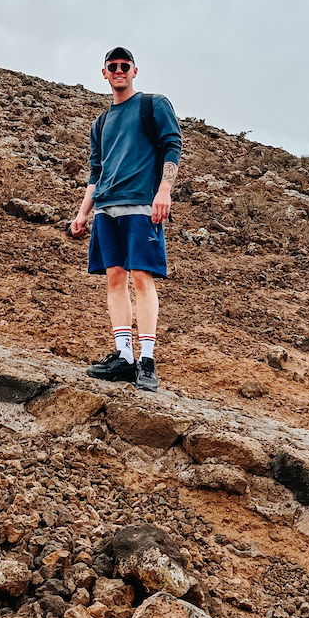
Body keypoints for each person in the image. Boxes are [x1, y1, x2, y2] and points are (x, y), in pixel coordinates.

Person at [70, 47, 182, 392]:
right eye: (112, 67)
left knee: (141, 277)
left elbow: (172, 146)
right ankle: (124, 357)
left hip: (140, 205)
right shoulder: (100, 123)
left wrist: (164, 190)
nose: (119, 71)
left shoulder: (153, 104)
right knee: (115, 277)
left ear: (134, 71)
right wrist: (82, 213)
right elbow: (96, 172)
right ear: (104, 73)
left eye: (124, 66)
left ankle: (147, 360)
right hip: (106, 208)